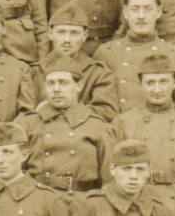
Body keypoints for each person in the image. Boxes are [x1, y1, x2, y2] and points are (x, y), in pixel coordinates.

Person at [110, 52, 175, 216]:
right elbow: (110, 176)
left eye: (163, 82)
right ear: (141, 85)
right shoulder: (123, 123)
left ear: (174, 83)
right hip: (135, 202)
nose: (157, 89)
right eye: (150, 83)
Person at [93, 0, 175, 118]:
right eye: (135, 9)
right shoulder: (106, 52)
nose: (141, 16)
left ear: (158, 12)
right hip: (116, 132)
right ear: (125, 13)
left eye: (148, 9)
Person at [20, 53, 109, 195]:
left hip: (80, 201)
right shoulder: (28, 124)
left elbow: (108, 181)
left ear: (79, 85)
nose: (56, 89)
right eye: (51, 83)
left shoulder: (97, 127)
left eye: (63, 82)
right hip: (38, 200)